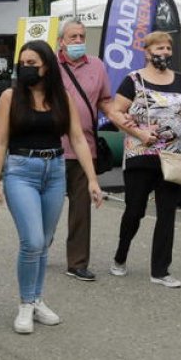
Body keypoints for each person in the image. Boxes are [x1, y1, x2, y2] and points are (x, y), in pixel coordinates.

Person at [0, 40, 104, 334]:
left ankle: (37, 299)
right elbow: (0, 141)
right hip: (20, 171)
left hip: (54, 171)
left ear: (47, 66)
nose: (26, 68)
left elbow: (78, 138)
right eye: (22, 63)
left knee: (44, 241)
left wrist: (92, 179)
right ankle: (25, 304)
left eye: (33, 63)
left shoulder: (62, 96)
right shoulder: (9, 97)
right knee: (33, 241)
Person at [105, 30, 181, 289]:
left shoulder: (180, 80)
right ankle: (120, 256)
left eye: (167, 48)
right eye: (159, 48)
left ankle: (161, 270)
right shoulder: (133, 80)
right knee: (136, 210)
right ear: (146, 52)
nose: (164, 53)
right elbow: (115, 112)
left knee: (167, 213)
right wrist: (139, 133)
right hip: (141, 155)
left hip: (173, 156)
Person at [55, 20, 113, 282]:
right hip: (52, 149)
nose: (78, 41)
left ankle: (77, 262)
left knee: (81, 209)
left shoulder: (97, 66)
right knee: (48, 209)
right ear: (61, 41)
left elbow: (105, 101)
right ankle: (38, 245)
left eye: (82, 36)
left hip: (84, 149)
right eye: (73, 37)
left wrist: (128, 120)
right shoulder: (49, 66)